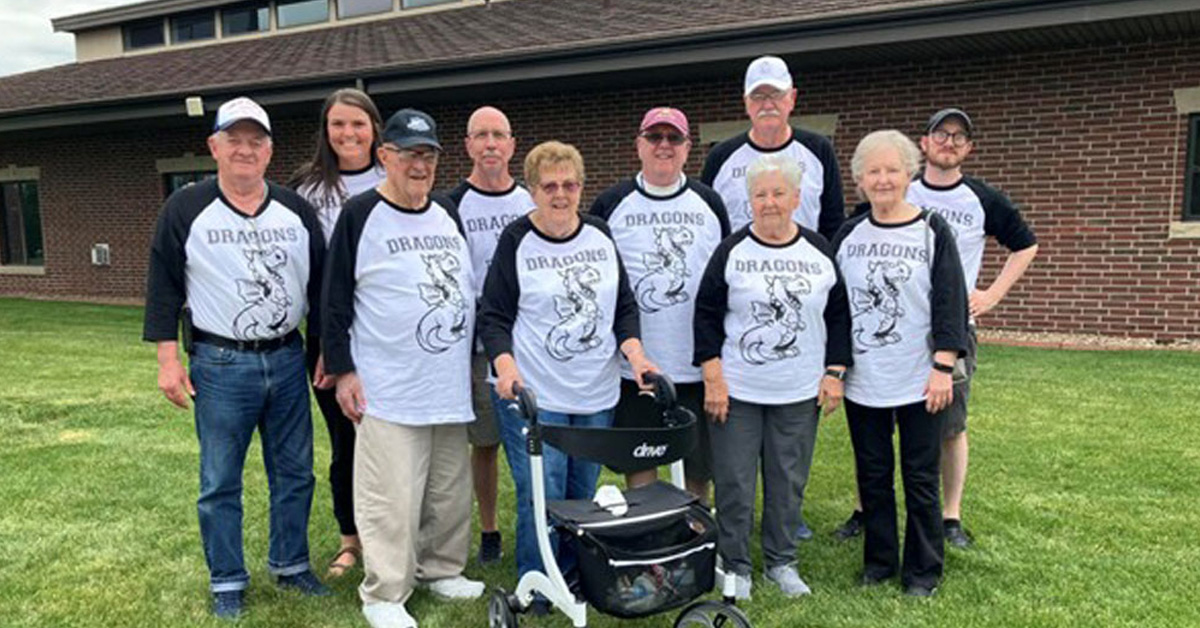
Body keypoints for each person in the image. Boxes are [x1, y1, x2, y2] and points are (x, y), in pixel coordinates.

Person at [142, 96, 329, 619]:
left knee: (294, 473)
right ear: (214, 147)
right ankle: (227, 578)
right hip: (221, 364)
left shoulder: (295, 210)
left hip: (288, 359)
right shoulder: (186, 207)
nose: (245, 150)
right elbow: (163, 284)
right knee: (219, 479)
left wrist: (325, 352)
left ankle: (290, 565)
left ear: (269, 150)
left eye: (256, 141)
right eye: (234, 140)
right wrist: (167, 360)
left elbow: (321, 288)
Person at [322, 108, 484, 628]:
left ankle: (441, 569)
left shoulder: (446, 211)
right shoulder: (361, 214)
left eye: (429, 154)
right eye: (410, 154)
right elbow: (334, 300)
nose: (421, 164)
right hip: (388, 386)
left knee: (447, 489)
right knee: (390, 494)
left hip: (446, 381)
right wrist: (345, 371)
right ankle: (385, 592)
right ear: (384, 156)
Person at [478, 141, 656, 596]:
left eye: (570, 185)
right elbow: (494, 315)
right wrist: (506, 367)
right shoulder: (517, 239)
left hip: (596, 392)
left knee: (581, 494)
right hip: (536, 395)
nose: (561, 194)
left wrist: (635, 356)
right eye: (550, 186)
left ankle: (574, 576)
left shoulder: (599, 233)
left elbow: (624, 306)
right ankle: (538, 584)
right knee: (543, 492)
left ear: (581, 188)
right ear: (533, 190)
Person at [693, 154, 852, 599]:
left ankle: (782, 563)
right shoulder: (732, 250)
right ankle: (736, 565)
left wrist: (835, 372)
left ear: (796, 197)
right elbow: (705, 314)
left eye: (778, 193)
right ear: (750, 201)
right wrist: (713, 377)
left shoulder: (819, 249)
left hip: (799, 392)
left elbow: (839, 315)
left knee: (788, 481)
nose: (769, 203)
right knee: (734, 481)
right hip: (737, 391)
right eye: (760, 195)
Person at [832, 130, 968, 597]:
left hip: (920, 380)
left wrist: (943, 366)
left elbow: (951, 300)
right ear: (860, 180)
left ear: (909, 173)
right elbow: (835, 308)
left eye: (892, 169)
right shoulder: (848, 235)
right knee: (872, 475)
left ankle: (923, 571)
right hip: (864, 379)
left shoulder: (931, 229)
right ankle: (879, 563)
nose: (883, 179)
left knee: (920, 477)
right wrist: (835, 367)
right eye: (873, 171)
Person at [908, 108, 1039, 548]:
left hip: (952, 329)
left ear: (969, 149)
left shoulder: (982, 200)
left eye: (959, 137)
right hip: (898, 325)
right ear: (924, 143)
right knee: (880, 419)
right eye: (940, 134)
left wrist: (992, 294)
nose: (949, 142)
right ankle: (866, 509)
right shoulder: (899, 191)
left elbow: (1025, 245)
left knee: (951, 425)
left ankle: (950, 517)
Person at [590, 106, 730, 500]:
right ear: (639, 145)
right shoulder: (611, 204)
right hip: (636, 367)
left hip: (696, 363)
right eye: (655, 137)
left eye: (674, 138)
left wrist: (715, 361)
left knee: (699, 464)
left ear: (688, 148)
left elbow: (723, 285)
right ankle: (649, 539)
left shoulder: (709, 203)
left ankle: (694, 538)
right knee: (640, 459)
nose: (664, 146)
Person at [288, 87, 386, 578]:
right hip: (330, 341)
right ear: (326, 132)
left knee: (392, 439)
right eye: (338, 124)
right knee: (345, 442)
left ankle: (395, 532)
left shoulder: (394, 176)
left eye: (358, 124)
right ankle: (351, 540)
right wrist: (328, 343)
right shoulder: (307, 189)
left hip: (389, 338)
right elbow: (309, 274)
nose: (348, 133)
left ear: (374, 129)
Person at [445, 106, 533, 565]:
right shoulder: (452, 205)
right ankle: (490, 530)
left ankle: (539, 523)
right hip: (478, 347)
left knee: (535, 443)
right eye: (481, 135)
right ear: (468, 146)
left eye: (499, 134)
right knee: (485, 443)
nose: (491, 144)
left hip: (530, 347)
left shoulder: (530, 202)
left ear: (513, 144)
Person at [701, 55, 845, 242]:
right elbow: (708, 227)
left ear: (792, 97)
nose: (767, 105)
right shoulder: (720, 157)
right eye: (758, 96)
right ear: (746, 102)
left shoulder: (819, 150)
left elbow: (833, 223)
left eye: (776, 94)